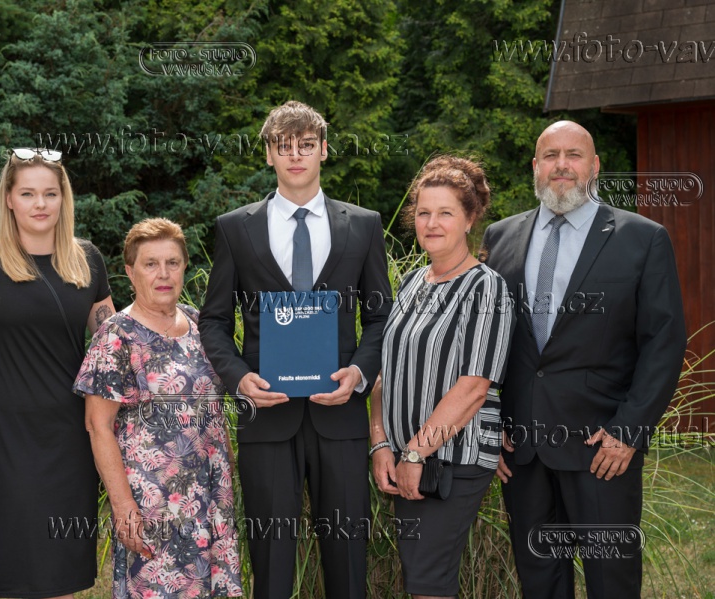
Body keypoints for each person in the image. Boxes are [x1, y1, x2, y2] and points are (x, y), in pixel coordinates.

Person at [482, 121, 686, 599]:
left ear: (594, 166)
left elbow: (663, 342)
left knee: (611, 581)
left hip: (602, 448)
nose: (562, 165)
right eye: (550, 156)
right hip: (522, 448)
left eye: (573, 155)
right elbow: (487, 341)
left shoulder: (642, 238)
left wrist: (629, 431)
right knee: (539, 582)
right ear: (535, 166)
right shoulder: (501, 236)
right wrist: (491, 423)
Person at [198, 100, 391, 599]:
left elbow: (380, 318)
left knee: (347, 563)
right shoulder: (235, 227)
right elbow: (214, 321)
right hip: (267, 417)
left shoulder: (363, 224)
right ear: (268, 154)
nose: (295, 155)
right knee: (271, 564)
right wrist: (239, 378)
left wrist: (359, 373)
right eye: (283, 146)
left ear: (323, 150)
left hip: (341, 416)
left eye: (306, 145)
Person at [0, 148, 116, 598]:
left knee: (58, 573)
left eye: (50, 193)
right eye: (28, 193)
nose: (40, 204)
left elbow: (115, 342)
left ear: (63, 198)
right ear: (9, 198)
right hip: (3, 438)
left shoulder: (86, 260)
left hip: (69, 437)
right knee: (10, 570)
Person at [74, 217, 243, 599]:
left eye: (172, 263)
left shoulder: (200, 324)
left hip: (212, 496)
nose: (163, 273)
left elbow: (214, 407)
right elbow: (97, 426)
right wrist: (123, 506)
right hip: (154, 501)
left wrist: (228, 472)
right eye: (150, 264)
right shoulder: (116, 335)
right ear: (130, 272)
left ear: (184, 267)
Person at [369, 156, 513, 598]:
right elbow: (385, 374)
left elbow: (474, 388)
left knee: (428, 580)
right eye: (423, 213)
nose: (431, 223)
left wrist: (416, 452)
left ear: (469, 219)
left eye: (445, 213)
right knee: (422, 579)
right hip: (404, 457)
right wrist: (380, 444)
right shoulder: (412, 282)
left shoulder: (486, 287)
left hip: (452, 459)